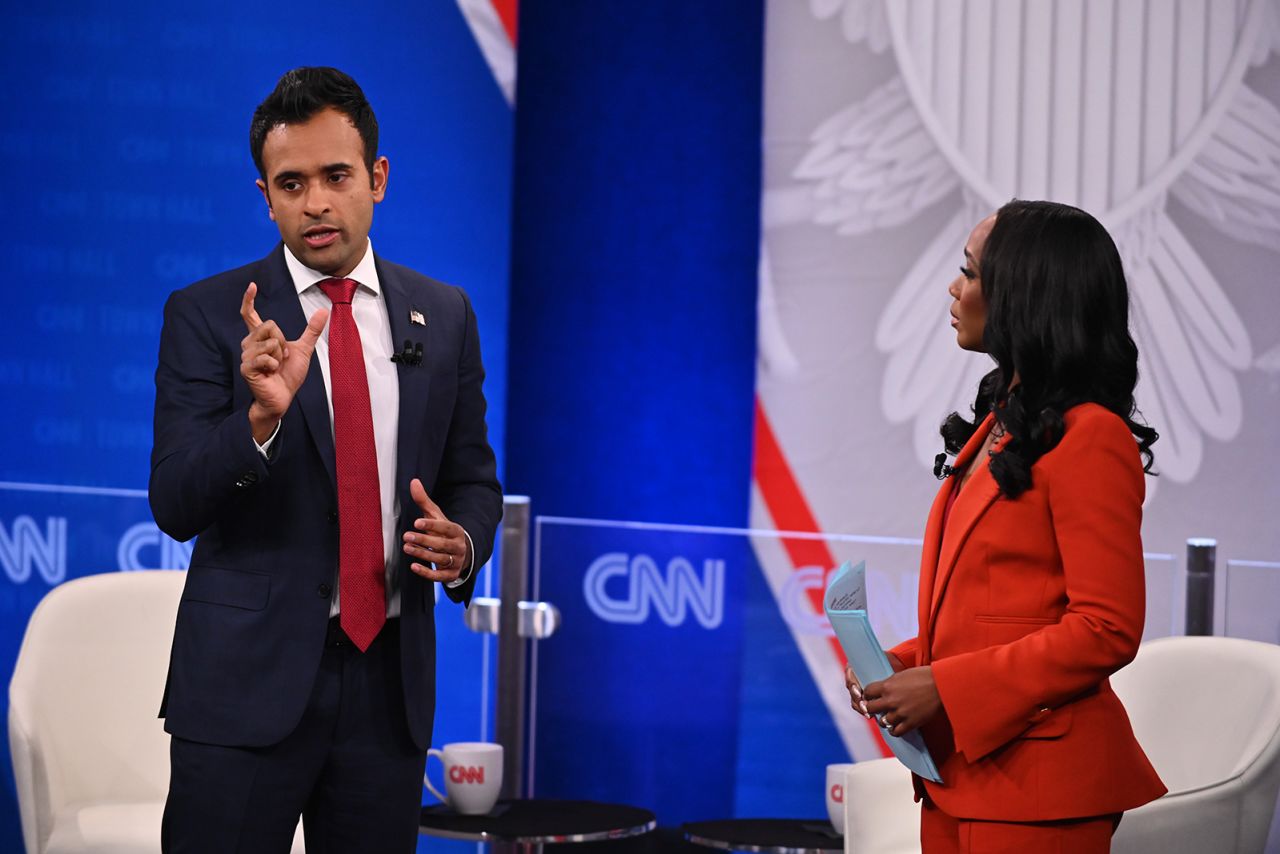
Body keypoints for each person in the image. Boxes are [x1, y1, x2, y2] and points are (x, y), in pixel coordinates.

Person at [149, 67, 503, 853]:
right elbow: (174, 501)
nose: (315, 202)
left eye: (336, 176)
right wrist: (260, 421)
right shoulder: (209, 316)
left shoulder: (442, 316)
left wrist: (465, 543)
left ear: (376, 178)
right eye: (291, 182)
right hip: (244, 693)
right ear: (265, 195)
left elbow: (471, 478)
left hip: (387, 696)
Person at [844, 200, 1166, 852]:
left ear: (1025, 296)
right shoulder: (1002, 423)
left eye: (969, 272)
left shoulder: (1091, 436)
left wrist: (945, 688)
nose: (953, 287)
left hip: (1039, 789)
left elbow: (1106, 629)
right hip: (961, 774)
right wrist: (900, 667)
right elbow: (999, 608)